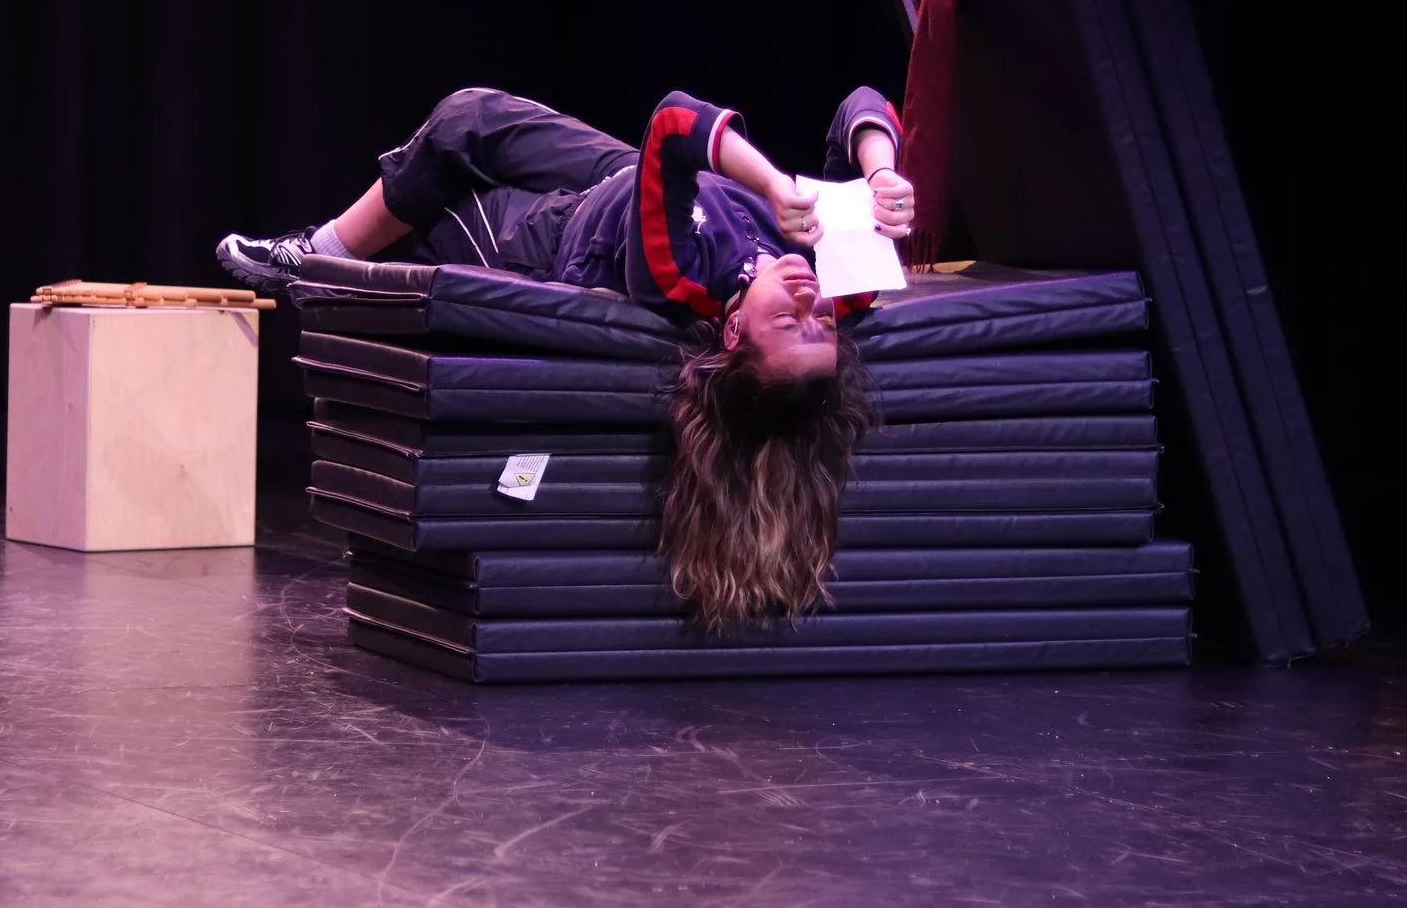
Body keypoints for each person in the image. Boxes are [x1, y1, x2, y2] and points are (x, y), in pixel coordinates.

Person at [217, 88, 917, 626]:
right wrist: (881, 173)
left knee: (454, 145)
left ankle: (314, 261)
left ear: (734, 336)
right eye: (822, 329)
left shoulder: (684, 276)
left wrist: (767, 183)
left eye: (792, 327)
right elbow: (859, 104)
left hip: (551, 230)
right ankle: (329, 249)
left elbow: (675, 122)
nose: (811, 306)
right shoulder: (831, 281)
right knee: (474, 117)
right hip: (629, 176)